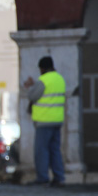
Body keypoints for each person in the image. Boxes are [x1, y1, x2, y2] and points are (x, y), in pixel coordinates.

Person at [23, 56, 66, 186]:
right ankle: (59, 177)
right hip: (57, 120)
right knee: (55, 150)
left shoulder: (43, 80)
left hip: (44, 121)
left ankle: (42, 177)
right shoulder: (60, 79)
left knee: (41, 151)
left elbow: (32, 96)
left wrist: (30, 86)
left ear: (42, 68)